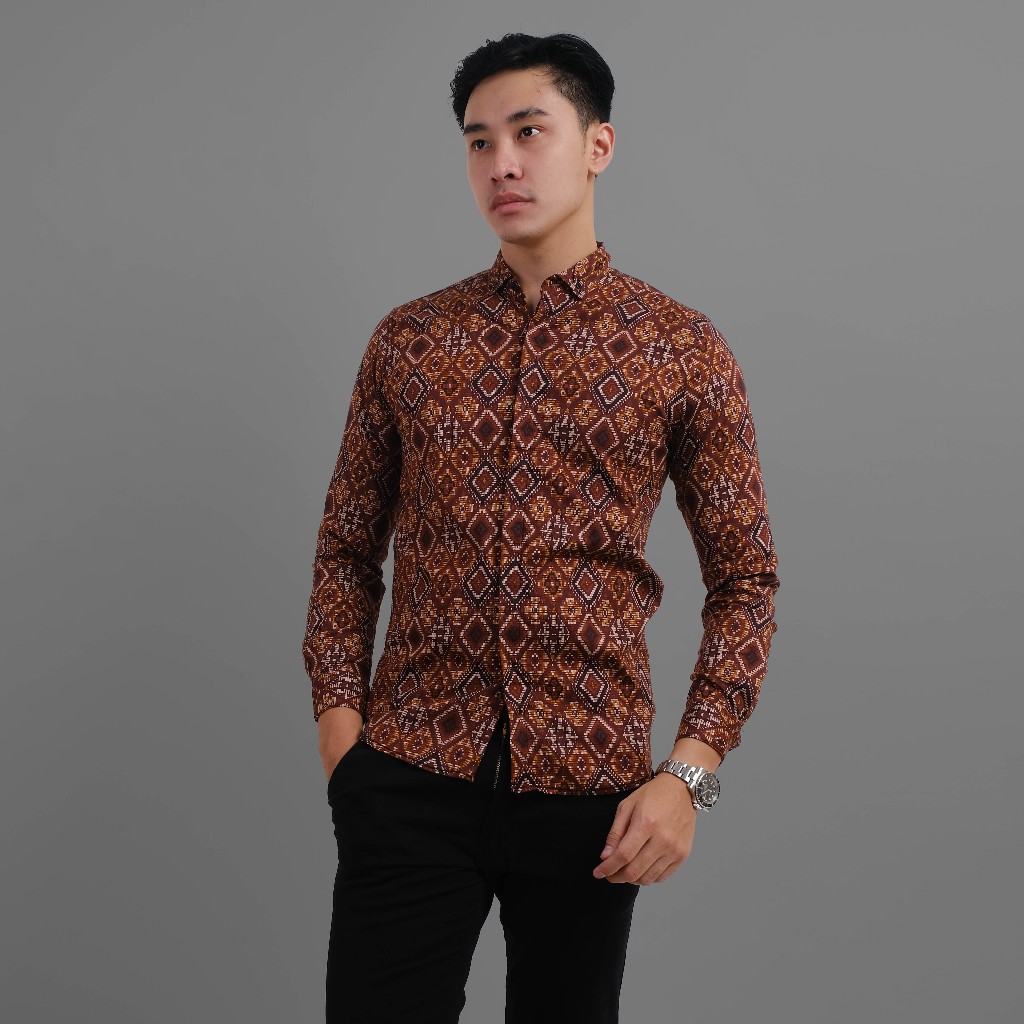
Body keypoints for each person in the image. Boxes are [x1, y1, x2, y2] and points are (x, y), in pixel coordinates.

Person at [302, 32, 779, 1024]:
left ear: (597, 145)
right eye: (478, 142)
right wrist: (343, 737)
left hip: (591, 793)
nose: (501, 164)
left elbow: (747, 579)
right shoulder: (409, 340)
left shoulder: (680, 348)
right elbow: (347, 548)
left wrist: (689, 775)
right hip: (408, 776)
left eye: (528, 132)